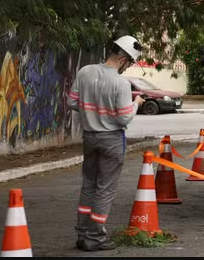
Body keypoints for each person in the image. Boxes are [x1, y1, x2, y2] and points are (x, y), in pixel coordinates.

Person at [68, 35, 145, 251]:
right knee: (105, 189)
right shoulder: (121, 83)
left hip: (89, 137)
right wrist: (136, 103)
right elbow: (123, 118)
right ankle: (95, 238)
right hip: (111, 139)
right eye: (130, 63)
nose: (128, 68)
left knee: (89, 185)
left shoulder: (85, 72)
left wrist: (91, 109)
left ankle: (83, 234)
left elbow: (72, 101)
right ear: (123, 59)